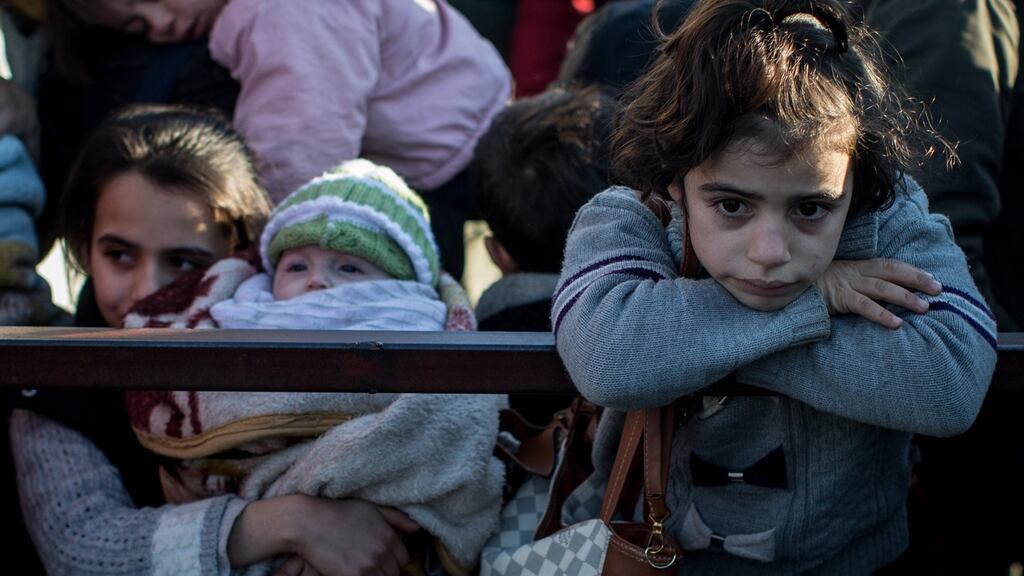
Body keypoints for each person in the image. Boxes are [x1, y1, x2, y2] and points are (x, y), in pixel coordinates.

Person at [552, 0, 998, 573]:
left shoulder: (888, 217)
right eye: (732, 205)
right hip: (657, 559)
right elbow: (614, 361)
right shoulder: (626, 219)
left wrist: (691, 347)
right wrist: (817, 299)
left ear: (855, 181)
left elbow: (949, 383)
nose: (770, 254)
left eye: (811, 208)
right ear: (676, 176)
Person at [8, 106, 429, 576]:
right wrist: (284, 522)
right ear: (85, 249)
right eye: (120, 255)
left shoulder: (310, 352)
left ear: (240, 258)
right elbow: (81, 547)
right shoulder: (54, 384)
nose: (147, 289)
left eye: (186, 263)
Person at [123, 159, 505, 574]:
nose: (316, 282)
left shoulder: (426, 331)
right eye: (297, 266)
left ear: (403, 289)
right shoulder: (236, 320)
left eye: (349, 268)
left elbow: (450, 428)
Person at [47, 0, 513, 279]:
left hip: (449, 157)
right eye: (138, 26)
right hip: (456, 122)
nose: (161, 22)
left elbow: (301, 145)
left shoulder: (286, 12)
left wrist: (268, 246)